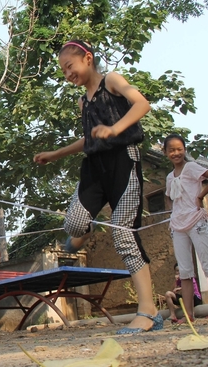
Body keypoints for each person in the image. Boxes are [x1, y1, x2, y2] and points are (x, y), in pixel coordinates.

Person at [34, 40, 161, 334]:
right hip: (94, 167)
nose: (67, 74)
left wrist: (115, 129)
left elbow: (142, 103)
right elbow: (89, 140)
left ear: (88, 59)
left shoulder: (111, 81)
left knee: (124, 235)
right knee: (74, 224)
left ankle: (148, 311)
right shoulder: (83, 102)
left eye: (70, 66)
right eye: (63, 71)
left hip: (123, 161)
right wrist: (55, 154)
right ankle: (89, 224)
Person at [164, 134, 208, 321]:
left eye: (179, 149)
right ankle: (189, 315)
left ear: (185, 150)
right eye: (171, 150)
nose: (176, 153)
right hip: (178, 226)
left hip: (196, 221)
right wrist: (171, 215)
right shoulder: (169, 177)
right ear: (166, 152)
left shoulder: (191, 168)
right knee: (185, 271)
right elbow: (169, 198)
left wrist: (200, 196)